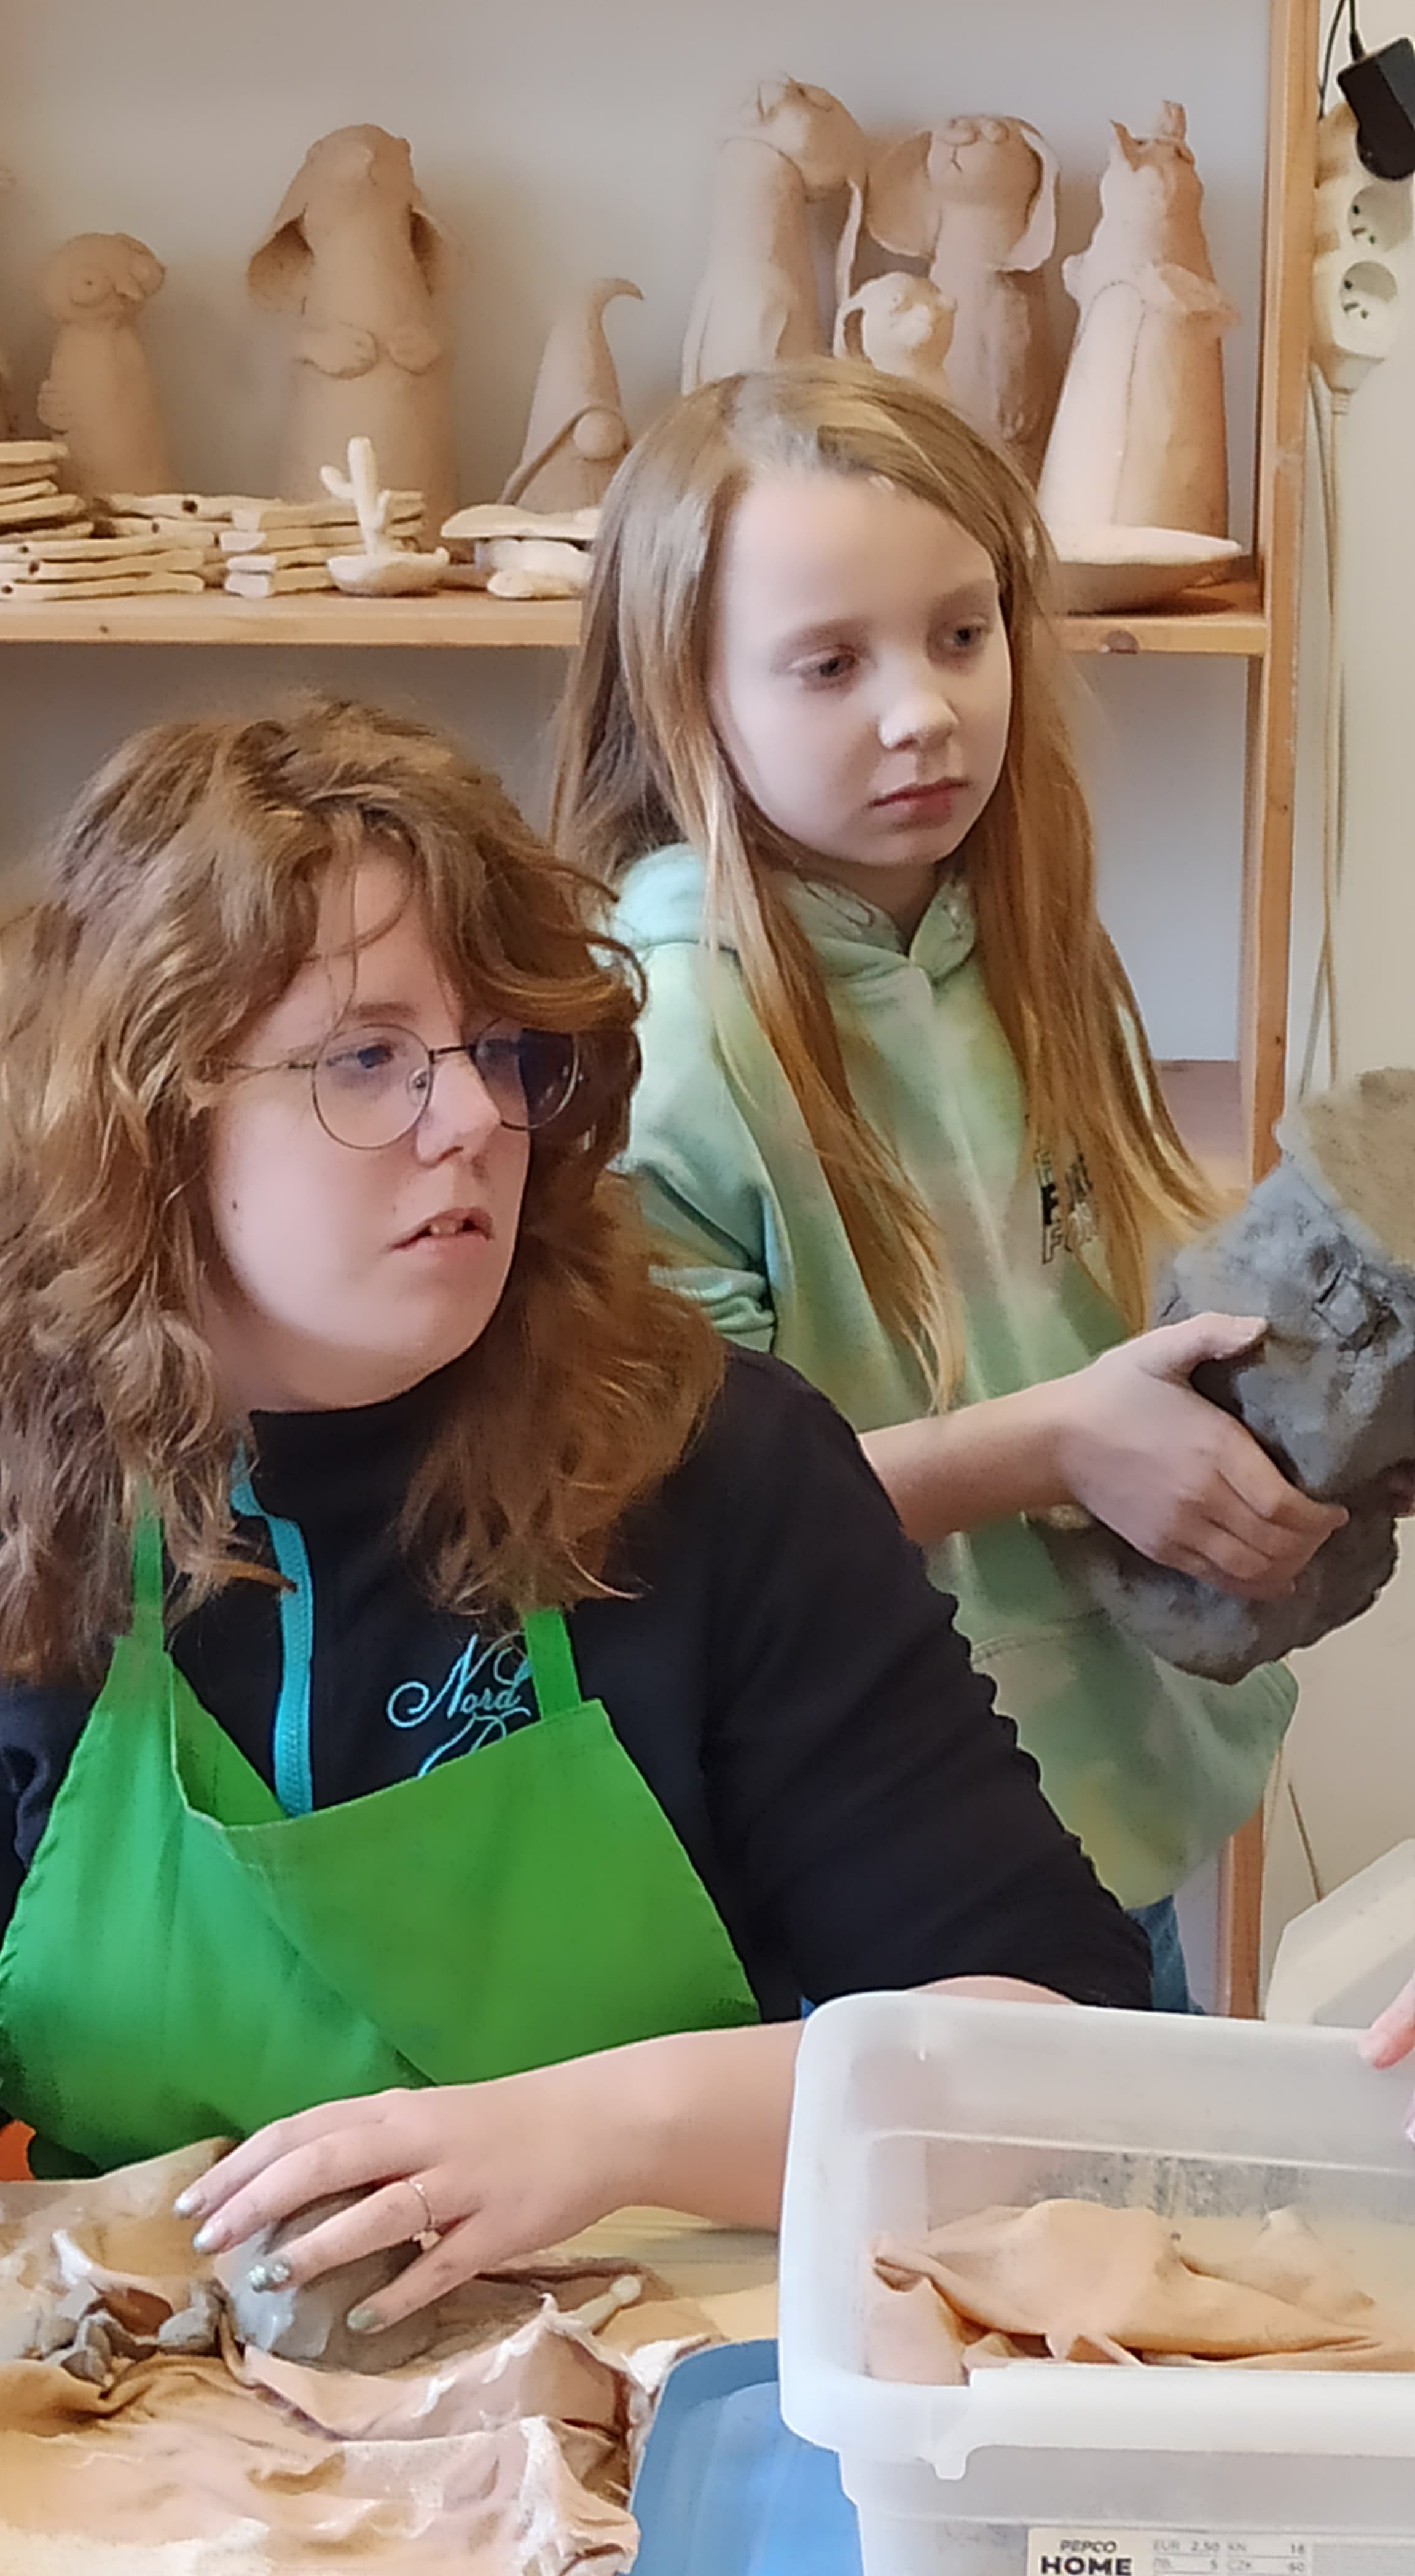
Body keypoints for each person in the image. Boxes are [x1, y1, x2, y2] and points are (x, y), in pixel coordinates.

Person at [0, 695, 1150, 2329]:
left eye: (500, 1051)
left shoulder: (721, 1473)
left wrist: (609, 2127)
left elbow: (1049, 2058)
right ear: (152, 1118)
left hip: (635, 2373)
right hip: (155, 2396)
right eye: (369, 1060)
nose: (471, 1123)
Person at [548, 361, 1342, 2015]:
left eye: (962, 634)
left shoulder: (1026, 949)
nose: (922, 712)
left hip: (1098, 1785)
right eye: (831, 663)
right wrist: (1061, 1445)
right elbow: (679, 1514)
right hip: (851, 1848)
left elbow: (1094, 1308)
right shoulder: (668, 1039)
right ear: (686, 689)